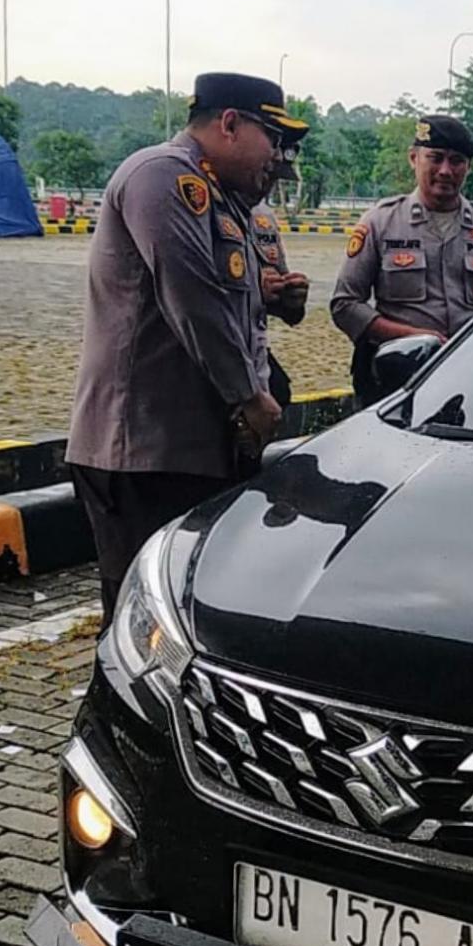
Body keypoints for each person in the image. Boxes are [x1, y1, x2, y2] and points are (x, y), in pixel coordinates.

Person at [66, 72, 309, 622]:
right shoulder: (163, 177)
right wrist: (248, 394)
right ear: (230, 124)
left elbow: (228, 304)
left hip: (193, 448)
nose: (277, 156)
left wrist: (273, 301)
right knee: (141, 616)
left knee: (189, 613)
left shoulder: (225, 201)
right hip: (144, 450)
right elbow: (192, 298)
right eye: (273, 138)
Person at [330, 114, 473, 405]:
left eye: (456, 161)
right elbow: (345, 304)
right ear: (413, 158)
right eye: (435, 158)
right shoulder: (381, 222)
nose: (445, 170)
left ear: (468, 167)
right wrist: (413, 337)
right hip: (396, 382)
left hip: (471, 380)